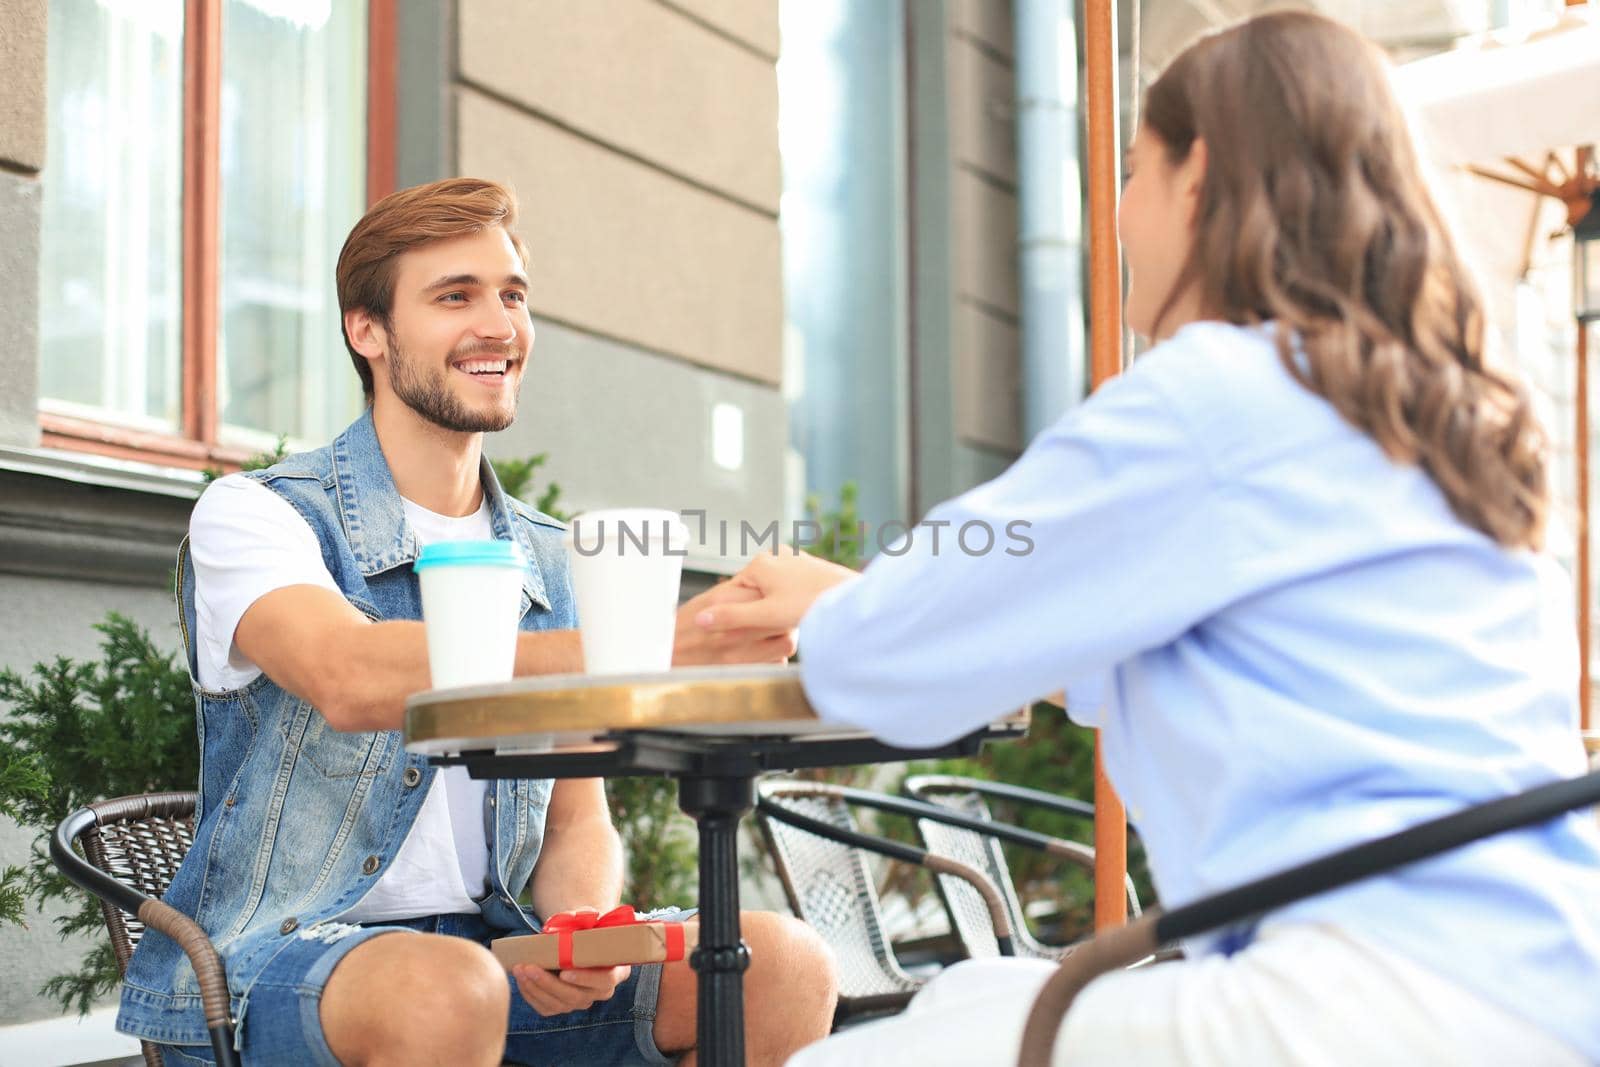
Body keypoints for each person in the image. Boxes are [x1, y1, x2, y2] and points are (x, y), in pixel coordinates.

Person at [694, 12, 1600, 1066]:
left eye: (1131, 170)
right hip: (1540, 976)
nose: (1116, 212)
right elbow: (1228, 659)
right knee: (971, 996)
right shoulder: (1431, 418)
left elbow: (878, 664)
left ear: (1197, 174)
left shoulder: (1214, 395)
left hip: (1369, 992)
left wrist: (834, 607)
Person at [116, 177, 837, 1067]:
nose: (499, 325)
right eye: (456, 296)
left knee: (783, 964)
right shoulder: (257, 515)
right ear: (366, 331)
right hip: (279, 962)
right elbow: (349, 674)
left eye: (512, 295)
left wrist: (579, 927)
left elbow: (576, 816)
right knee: (450, 985)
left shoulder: (549, 554)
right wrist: (645, 649)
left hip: (499, 952)